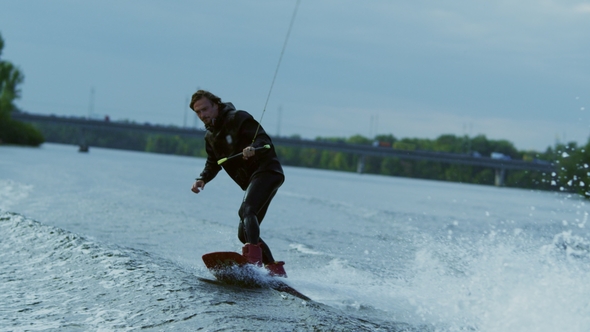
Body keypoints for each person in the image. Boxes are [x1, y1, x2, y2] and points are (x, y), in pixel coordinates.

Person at [189, 90, 287, 277]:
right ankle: (275, 269)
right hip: (253, 179)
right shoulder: (210, 137)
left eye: (205, 109)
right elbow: (213, 162)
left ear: (216, 105)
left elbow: (263, 140)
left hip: (268, 170)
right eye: (198, 113)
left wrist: (253, 149)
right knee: (244, 233)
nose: (203, 115)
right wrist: (202, 178)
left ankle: (253, 261)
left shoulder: (238, 118)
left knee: (246, 210)